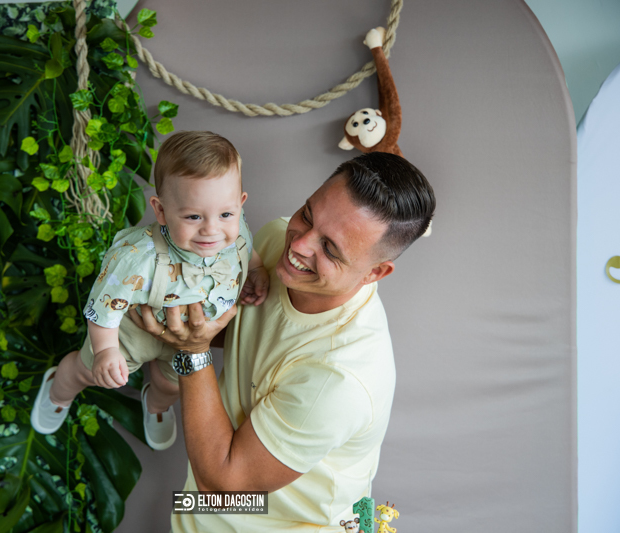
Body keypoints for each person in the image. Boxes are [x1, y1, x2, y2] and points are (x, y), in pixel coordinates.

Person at [130, 152, 435, 530]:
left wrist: (192, 351)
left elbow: (225, 486)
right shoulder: (275, 239)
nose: (300, 245)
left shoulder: (339, 381)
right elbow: (252, 333)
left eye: (330, 248)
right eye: (307, 214)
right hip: (208, 504)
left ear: (375, 272)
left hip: (276, 518)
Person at [30, 131, 270, 450]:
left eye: (225, 214)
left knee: (172, 384)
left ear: (240, 204)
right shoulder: (136, 258)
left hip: (190, 336)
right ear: (161, 211)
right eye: (193, 216)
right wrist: (105, 351)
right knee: (86, 371)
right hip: (132, 331)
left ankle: (155, 404)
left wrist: (255, 269)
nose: (211, 230)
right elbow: (104, 308)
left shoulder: (236, 231)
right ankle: (59, 391)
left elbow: (246, 250)